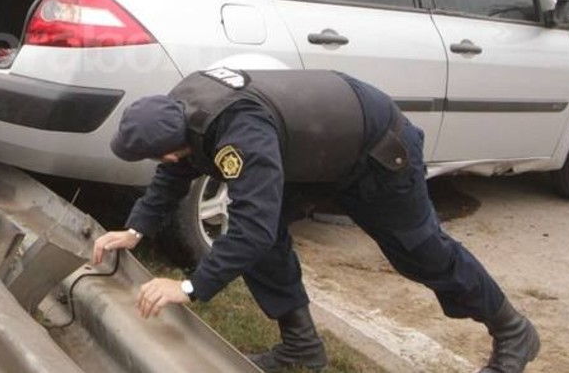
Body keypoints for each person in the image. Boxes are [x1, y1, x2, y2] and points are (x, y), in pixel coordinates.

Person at [93, 68, 541, 373]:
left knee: (421, 252)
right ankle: (301, 346)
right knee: (260, 238)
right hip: (317, 153)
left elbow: (250, 226)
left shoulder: (238, 131)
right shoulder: (181, 110)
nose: (166, 161)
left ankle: (513, 331)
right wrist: (135, 231)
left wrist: (189, 288)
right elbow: (175, 173)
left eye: (162, 154)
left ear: (170, 142)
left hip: (376, 149)